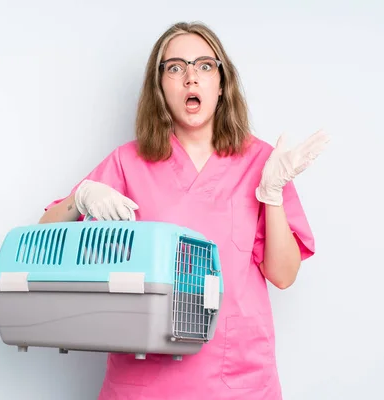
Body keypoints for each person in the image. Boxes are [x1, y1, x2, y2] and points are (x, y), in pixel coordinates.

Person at [39, 21, 329, 400]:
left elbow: (284, 274)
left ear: (222, 83)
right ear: (159, 86)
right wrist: (79, 200)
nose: (191, 77)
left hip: (237, 381)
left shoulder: (262, 161)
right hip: (144, 381)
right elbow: (45, 233)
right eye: (175, 67)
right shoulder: (129, 162)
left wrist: (272, 193)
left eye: (205, 66)